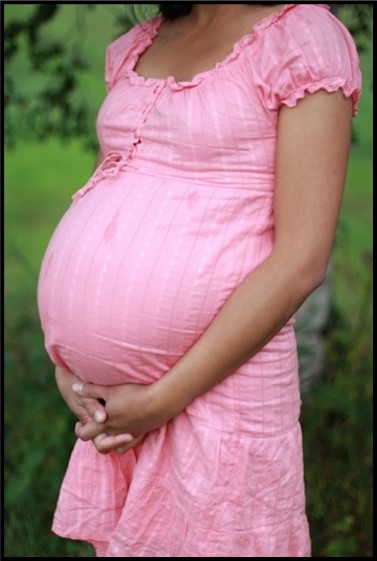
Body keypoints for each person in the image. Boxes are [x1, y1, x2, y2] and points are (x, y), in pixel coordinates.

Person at [37, 3, 361, 557]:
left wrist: (163, 398)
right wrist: (72, 370)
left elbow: (302, 259)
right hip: (121, 409)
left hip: (223, 394)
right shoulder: (144, 42)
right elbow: (110, 193)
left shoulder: (302, 38)